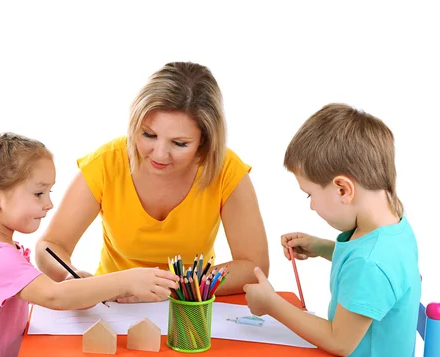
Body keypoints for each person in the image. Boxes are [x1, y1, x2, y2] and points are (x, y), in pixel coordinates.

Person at [36, 62, 270, 302]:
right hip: (113, 304)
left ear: (205, 142)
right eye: (148, 135)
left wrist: (168, 288)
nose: (159, 154)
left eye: (179, 143)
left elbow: (253, 267)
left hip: (191, 305)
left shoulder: (225, 169)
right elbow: (51, 245)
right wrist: (69, 276)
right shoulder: (107, 162)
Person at [0, 133, 179, 357]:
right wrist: (126, 280)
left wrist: (79, 288)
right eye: (39, 193)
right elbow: (54, 297)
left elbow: (48, 291)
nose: (49, 204)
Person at [243, 104, 421, 356]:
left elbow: (340, 342)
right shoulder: (394, 228)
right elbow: (370, 265)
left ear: (343, 190)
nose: (313, 206)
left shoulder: (369, 264)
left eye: (310, 195)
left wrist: (272, 304)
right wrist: (324, 247)